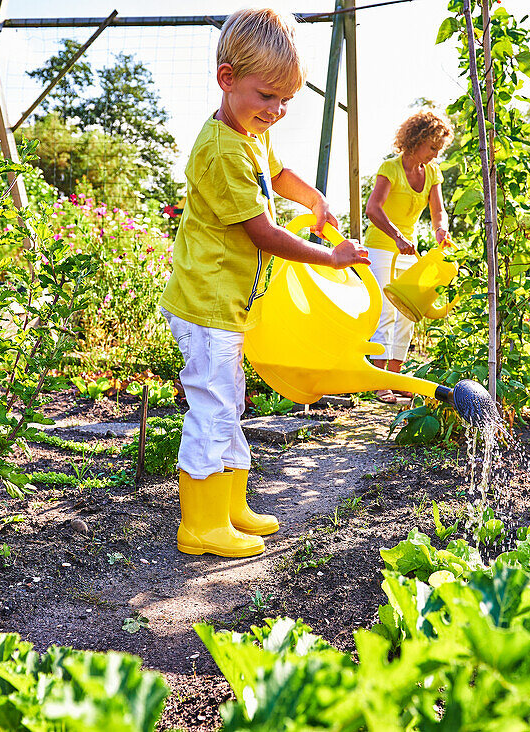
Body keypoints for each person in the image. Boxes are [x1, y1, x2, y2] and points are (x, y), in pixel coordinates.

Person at [158, 8, 370, 559]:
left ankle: (228, 508)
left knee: (229, 403)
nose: (275, 111)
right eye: (266, 96)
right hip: (206, 302)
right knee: (212, 407)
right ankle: (200, 524)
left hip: (227, 302)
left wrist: (317, 200)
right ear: (227, 79)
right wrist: (332, 257)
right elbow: (263, 234)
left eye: (285, 102)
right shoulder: (222, 151)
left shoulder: (247, 133)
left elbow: (276, 174)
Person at [364, 109, 454, 404]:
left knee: (408, 314)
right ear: (417, 140)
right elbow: (373, 209)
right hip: (381, 247)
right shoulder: (390, 168)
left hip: (408, 251)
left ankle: (397, 376)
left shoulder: (432, 173)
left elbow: (438, 212)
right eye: (433, 147)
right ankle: (380, 382)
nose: (435, 154)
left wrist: (441, 231)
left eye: (439, 149)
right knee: (385, 312)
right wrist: (396, 236)